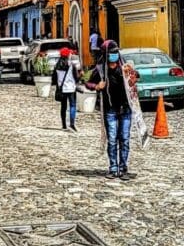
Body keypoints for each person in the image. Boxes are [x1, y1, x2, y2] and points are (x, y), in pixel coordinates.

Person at [85, 40, 142, 179]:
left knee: (125, 139)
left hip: (125, 109)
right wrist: (97, 86)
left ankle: (123, 168)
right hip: (110, 109)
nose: (114, 55)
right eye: (111, 53)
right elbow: (88, 83)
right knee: (112, 140)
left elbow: (136, 77)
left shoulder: (125, 68)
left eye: (116, 52)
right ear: (106, 54)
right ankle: (113, 168)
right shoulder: (100, 70)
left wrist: (133, 78)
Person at [55, 46, 82, 132]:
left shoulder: (57, 65)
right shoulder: (71, 65)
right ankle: (72, 124)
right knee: (72, 105)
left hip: (61, 88)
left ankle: (63, 124)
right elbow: (76, 78)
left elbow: (54, 78)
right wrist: (80, 75)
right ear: (67, 55)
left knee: (63, 106)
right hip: (71, 88)